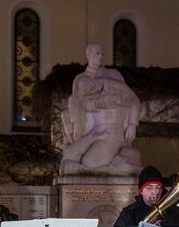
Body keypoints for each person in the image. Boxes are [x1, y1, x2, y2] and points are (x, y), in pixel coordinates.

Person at [60, 43, 142, 175]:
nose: (100, 56)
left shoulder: (112, 76)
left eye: (101, 54)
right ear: (88, 55)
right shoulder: (81, 79)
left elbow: (132, 100)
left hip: (112, 133)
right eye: (96, 53)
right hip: (93, 131)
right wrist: (71, 124)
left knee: (88, 162)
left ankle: (119, 167)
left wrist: (132, 124)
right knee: (68, 155)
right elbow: (77, 103)